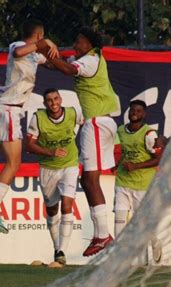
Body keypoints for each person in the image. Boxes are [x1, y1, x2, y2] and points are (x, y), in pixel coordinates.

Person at [0, 19, 58, 234]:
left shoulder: (35, 55)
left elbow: (52, 62)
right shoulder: (17, 46)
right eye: (41, 38)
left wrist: (59, 57)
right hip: (9, 108)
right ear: (38, 35)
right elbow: (18, 54)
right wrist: (44, 43)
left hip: (10, 108)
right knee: (14, 163)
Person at [46, 27, 118, 256]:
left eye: (79, 41)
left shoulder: (90, 60)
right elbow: (54, 63)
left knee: (89, 178)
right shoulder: (85, 57)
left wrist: (43, 48)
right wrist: (37, 54)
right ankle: (101, 235)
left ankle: (103, 235)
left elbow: (66, 69)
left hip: (96, 123)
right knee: (89, 179)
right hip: (101, 123)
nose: (75, 45)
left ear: (90, 44)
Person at [26, 88, 82, 265]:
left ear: (61, 99)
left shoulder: (73, 113)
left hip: (70, 165)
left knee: (67, 205)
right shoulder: (38, 118)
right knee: (52, 210)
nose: (53, 103)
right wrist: (51, 152)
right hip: (48, 168)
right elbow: (29, 146)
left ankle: (61, 252)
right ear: (44, 103)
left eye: (56, 98)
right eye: (49, 100)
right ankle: (57, 248)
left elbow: (88, 123)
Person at [113, 100, 163, 264]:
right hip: (122, 182)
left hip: (142, 185)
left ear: (144, 114)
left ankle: (155, 242)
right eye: (132, 110)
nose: (134, 112)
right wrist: (116, 164)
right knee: (119, 218)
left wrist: (136, 166)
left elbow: (158, 159)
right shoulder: (120, 130)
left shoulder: (149, 134)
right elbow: (121, 152)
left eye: (139, 110)